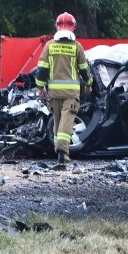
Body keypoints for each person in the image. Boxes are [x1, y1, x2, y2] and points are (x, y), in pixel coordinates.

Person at [35, 12, 92, 163]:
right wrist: (88, 84)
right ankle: (62, 151)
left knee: (58, 120)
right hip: (71, 93)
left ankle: (59, 149)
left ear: (57, 27)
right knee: (67, 120)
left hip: (54, 93)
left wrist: (40, 88)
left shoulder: (49, 46)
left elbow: (42, 70)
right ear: (74, 27)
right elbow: (84, 70)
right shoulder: (76, 47)